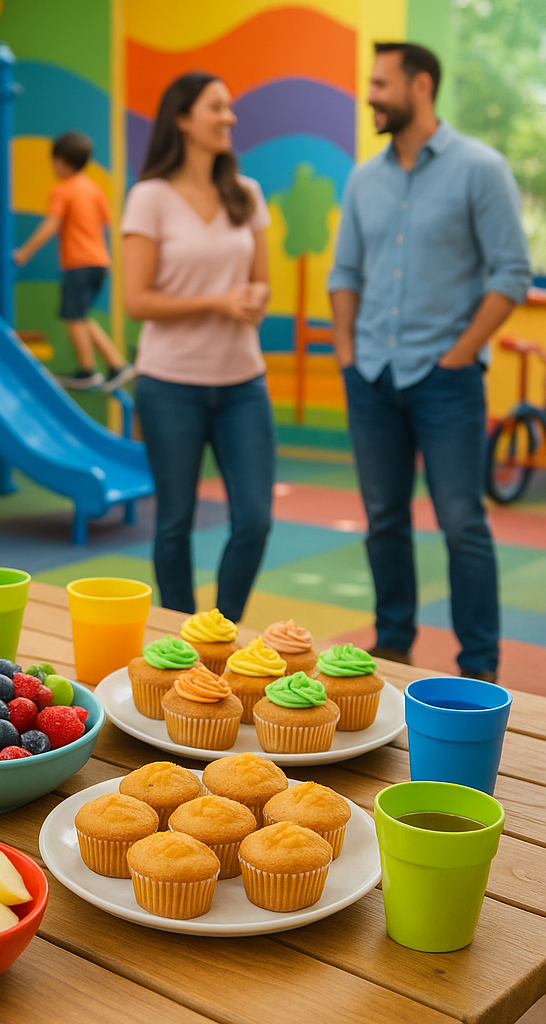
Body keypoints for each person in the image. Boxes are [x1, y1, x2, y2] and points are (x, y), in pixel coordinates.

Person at [328, 42, 531, 683]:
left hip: (447, 381)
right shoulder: (364, 177)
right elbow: (345, 271)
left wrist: (461, 354)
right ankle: (392, 650)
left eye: (380, 83)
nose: (370, 95)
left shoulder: (481, 168)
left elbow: (512, 273)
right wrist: (345, 351)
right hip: (371, 377)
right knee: (383, 520)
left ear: (421, 86)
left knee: (463, 522)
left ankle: (479, 671)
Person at [121, 72, 273, 618]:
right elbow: (135, 300)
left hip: (242, 383)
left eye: (230, 107)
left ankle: (224, 633)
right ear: (182, 118)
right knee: (174, 522)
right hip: (170, 385)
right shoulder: (150, 198)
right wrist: (216, 302)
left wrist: (254, 298)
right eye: (217, 107)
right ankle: (183, 638)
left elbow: (261, 283)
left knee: (255, 517)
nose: (229, 117)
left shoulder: (247, 194)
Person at [15, 131, 134, 391]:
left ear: (59, 162)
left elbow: (51, 225)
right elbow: (106, 221)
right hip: (100, 262)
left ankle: (87, 370)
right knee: (81, 317)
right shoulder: (93, 188)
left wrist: (25, 252)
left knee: (73, 317)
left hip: (78, 263)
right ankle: (117, 365)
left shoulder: (62, 190)